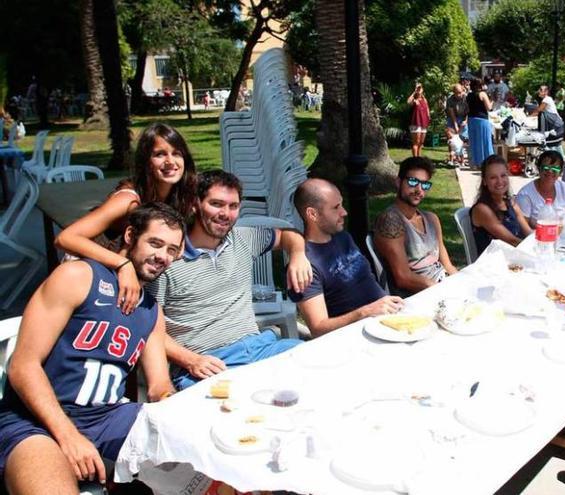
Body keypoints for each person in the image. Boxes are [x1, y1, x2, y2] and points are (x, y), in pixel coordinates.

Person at [0, 203, 182, 492]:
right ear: (130, 235)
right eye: (155, 243)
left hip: (108, 417)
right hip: (35, 421)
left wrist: (189, 408)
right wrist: (69, 436)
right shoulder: (79, 277)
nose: (162, 256)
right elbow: (23, 366)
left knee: (200, 463)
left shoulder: (151, 311)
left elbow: (159, 387)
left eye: (172, 250)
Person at [146, 170, 312, 390]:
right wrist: (190, 360)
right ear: (196, 204)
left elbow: (287, 235)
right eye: (216, 204)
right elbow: (146, 327)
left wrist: (298, 254)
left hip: (260, 347)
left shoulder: (242, 238)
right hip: (208, 363)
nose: (225, 213)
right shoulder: (169, 257)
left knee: (316, 366)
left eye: (233, 206)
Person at [56, 123, 198, 316]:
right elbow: (66, 238)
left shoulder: (178, 200)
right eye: (160, 154)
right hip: (88, 280)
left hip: (124, 281)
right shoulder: (128, 199)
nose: (170, 161)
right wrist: (123, 265)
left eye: (177, 153)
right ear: (146, 162)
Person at [290, 179, 403, 337]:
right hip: (358, 336)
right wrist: (366, 312)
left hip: (390, 319)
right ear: (312, 214)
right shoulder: (304, 266)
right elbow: (318, 328)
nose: (344, 212)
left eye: (341, 204)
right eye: (336, 208)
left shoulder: (342, 237)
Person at [373, 157, 458, 297]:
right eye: (413, 182)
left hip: (443, 286)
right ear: (398, 182)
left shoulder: (432, 219)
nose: (419, 190)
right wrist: (442, 290)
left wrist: (462, 282)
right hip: (420, 296)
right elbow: (403, 278)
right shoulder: (391, 221)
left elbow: (447, 265)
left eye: (424, 185)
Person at [470, 155, 532, 255]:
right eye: (493, 177)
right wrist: (535, 251)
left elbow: (528, 232)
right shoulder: (482, 209)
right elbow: (512, 241)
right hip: (494, 264)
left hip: (516, 257)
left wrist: (543, 242)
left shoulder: (511, 203)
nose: (499, 181)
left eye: (503, 175)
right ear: (485, 181)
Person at [516, 150, 565, 228]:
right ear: (538, 168)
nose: (550, 171)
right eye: (545, 167)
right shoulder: (525, 194)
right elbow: (523, 227)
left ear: (561, 171)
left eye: (555, 169)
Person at [466, 78, 493, 169]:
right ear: (480, 85)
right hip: (482, 119)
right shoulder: (482, 94)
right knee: (485, 141)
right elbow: (489, 108)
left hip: (471, 119)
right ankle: (487, 162)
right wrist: (492, 100)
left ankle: (475, 163)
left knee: (474, 142)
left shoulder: (469, 95)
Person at [445, 83, 469, 167]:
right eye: (456, 93)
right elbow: (452, 114)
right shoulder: (450, 99)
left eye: (460, 92)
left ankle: (462, 158)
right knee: (452, 139)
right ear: (453, 92)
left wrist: (466, 121)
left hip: (463, 117)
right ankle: (452, 157)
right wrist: (455, 125)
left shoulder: (466, 98)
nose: (458, 95)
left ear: (463, 91)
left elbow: (469, 111)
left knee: (463, 139)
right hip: (452, 119)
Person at [407, 82, 430, 157]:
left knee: (421, 142)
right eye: (418, 88)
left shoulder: (424, 99)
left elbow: (427, 110)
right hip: (416, 123)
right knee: (416, 142)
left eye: (420, 88)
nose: (419, 89)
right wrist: (414, 92)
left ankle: (419, 158)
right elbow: (408, 102)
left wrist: (428, 119)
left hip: (424, 123)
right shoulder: (414, 99)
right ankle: (415, 159)